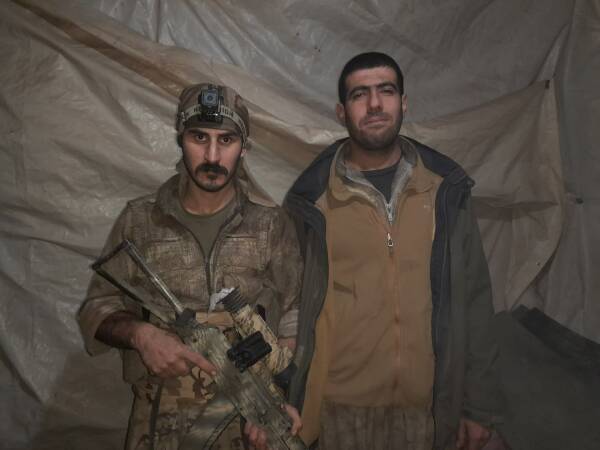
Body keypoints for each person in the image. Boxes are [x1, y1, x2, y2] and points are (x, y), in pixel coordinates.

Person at [283, 52, 503, 450]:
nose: (374, 104)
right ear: (341, 111)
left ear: (404, 103)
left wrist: (478, 406)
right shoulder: (311, 203)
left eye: (385, 91)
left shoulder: (445, 191)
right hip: (339, 413)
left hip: (427, 411)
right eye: (359, 94)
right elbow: (290, 307)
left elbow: (475, 300)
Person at [78, 83, 302, 450]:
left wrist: (280, 396)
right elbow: (96, 309)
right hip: (159, 421)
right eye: (199, 137)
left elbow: (296, 315)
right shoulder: (140, 221)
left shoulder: (270, 225)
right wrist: (140, 335)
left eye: (226, 140)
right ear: (180, 139)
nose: (212, 155)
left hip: (246, 419)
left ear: (243, 148)